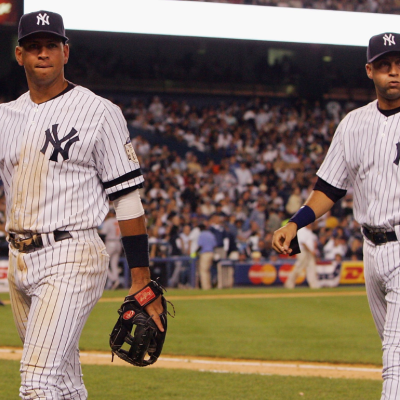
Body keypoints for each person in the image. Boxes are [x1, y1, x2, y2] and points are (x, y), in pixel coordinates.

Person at [2, 10, 164, 400]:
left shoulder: (99, 112)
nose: (44, 53)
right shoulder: (5, 116)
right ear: (19, 54)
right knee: (62, 381)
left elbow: (126, 200)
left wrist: (141, 278)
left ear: (66, 52)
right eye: (34, 46)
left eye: (52, 46)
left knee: (37, 381)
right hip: (18, 259)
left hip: (71, 254)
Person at [272, 32, 400, 400]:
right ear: (369, 70)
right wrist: (294, 222)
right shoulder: (352, 124)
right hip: (372, 250)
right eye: (384, 65)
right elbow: (329, 188)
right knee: (391, 346)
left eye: (399, 64)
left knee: (395, 355)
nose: (394, 72)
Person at [284, 224, 319, 289]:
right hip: (303, 251)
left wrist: (312, 251)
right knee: (299, 267)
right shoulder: (302, 230)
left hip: (309, 252)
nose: (311, 225)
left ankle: (314, 285)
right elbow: (303, 243)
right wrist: (311, 251)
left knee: (311, 268)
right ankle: (289, 284)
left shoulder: (310, 231)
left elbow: (311, 243)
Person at [99, 207, 123, 290]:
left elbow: (103, 233)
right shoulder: (119, 221)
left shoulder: (109, 221)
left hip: (110, 242)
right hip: (118, 243)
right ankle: (117, 281)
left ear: (111, 214)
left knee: (102, 262)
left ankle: (113, 279)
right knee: (114, 264)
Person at [197, 222, 217, 290]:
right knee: (208, 271)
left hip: (205, 253)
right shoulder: (210, 234)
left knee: (203, 271)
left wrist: (195, 252)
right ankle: (209, 286)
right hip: (211, 253)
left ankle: (205, 287)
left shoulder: (202, 235)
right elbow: (214, 245)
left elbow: (200, 246)